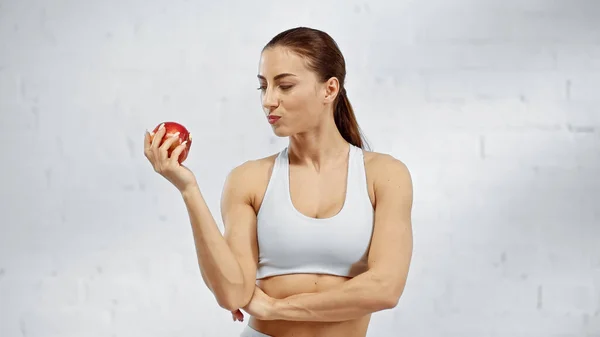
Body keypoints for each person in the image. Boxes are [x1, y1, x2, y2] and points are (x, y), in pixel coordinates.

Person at [143, 27, 413, 337]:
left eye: (284, 86)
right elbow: (232, 294)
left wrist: (276, 308)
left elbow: (386, 288)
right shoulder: (249, 180)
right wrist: (188, 189)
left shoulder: (385, 175)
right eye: (263, 86)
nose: (269, 100)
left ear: (329, 89)